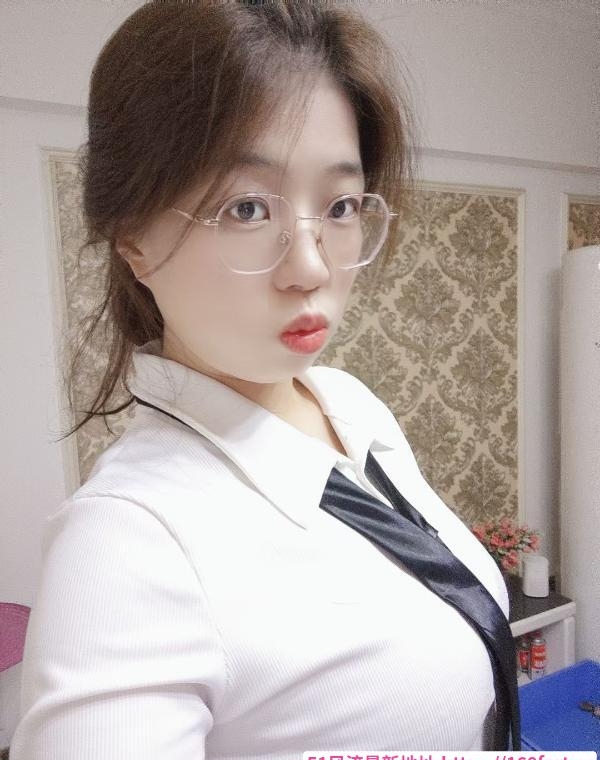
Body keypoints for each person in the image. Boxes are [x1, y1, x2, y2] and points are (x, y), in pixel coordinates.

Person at [10, 2, 516, 758]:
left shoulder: (350, 405)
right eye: (245, 208)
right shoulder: (128, 544)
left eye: (339, 205)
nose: (311, 267)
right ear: (134, 241)